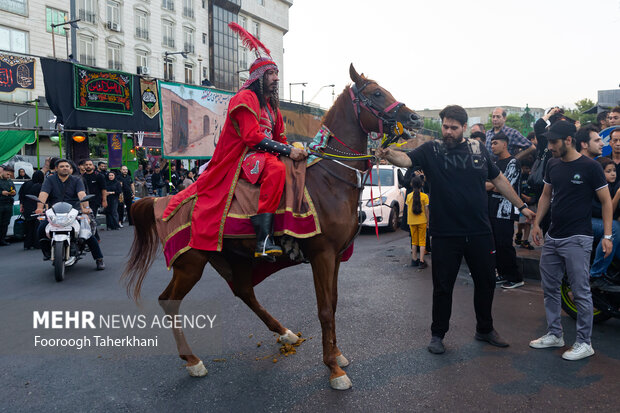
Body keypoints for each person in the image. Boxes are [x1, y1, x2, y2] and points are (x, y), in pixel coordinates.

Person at [376, 105, 534, 354]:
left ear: (463, 128)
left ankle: (485, 329)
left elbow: (499, 179)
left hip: (480, 231)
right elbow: (406, 159)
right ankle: (438, 334)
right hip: (445, 233)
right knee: (443, 286)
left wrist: (522, 206)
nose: (448, 131)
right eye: (445, 126)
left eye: (453, 128)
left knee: (486, 283)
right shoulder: (432, 149)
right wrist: (388, 153)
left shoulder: (478, 149)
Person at [162, 22, 307, 258]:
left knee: (297, 168)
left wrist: (294, 149)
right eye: (270, 73)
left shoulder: (273, 109)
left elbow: (280, 137)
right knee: (277, 169)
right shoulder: (244, 98)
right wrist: (286, 152)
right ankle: (264, 240)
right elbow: (251, 137)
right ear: (259, 77)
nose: (276, 78)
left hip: (265, 153)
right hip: (245, 157)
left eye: (277, 73)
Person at [530, 120, 612, 361]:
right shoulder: (552, 164)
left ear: (568, 140)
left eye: (554, 142)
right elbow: (546, 195)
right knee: (550, 287)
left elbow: (606, 201)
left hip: (578, 237)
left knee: (580, 291)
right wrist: (537, 223)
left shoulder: (590, 167)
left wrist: (607, 236)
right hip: (553, 235)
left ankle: (585, 343)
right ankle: (555, 334)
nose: (550, 146)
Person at [35, 159, 105, 270]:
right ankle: (47, 252)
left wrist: (86, 208)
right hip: (54, 212)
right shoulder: (50, 180)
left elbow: (82, 194)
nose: (65, 168)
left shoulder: (77, 180)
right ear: (57, 168)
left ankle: (99, 259)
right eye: (62, 166)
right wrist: (39, 208)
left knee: (87, 233)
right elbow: (43, 194)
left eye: (67, 166)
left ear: (70, 168)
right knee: (41, 229)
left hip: (74, 211)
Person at [486, 132, 524, 289]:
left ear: (505, 144)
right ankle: (502, 273)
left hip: (506, 210)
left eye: (495, 143)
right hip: (492, 209)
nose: (492, 146)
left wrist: (489, 185)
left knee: (505, 243)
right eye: (491, 143)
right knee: (496, 244)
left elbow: (500, 187)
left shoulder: (513, 163)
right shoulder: (494, 163)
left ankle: (515, 277)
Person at [405, 176, 429, 269]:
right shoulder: (425, 196)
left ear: (411, 184)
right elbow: (427, 210)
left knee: (414, 242)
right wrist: (428, 221)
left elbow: (407, 210)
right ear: (422, 184)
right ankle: (422, 261)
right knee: (422, 241)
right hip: (422, 221)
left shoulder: (408, 196)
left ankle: (414, 259)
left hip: (411, 221)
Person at [19, 170, 44, 250]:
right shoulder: (40, 186)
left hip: (27, 207)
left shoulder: (26, 184)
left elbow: (21, 196)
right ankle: (36, 244)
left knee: (28, 227)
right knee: (36, 226)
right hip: (36, 207)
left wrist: (21, 206)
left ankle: (27, 244)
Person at [515, 159, 536, 250]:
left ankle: (525, 240)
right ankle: (519, 233)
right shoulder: (520, 177)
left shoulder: (533, 178)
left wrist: (533, 198)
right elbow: (517, 189)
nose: (528, 171)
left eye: (529, 168)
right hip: (522, 204)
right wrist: (523, 197)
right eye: (526, 168)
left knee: (528, 222)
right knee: (522, 221)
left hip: (531, 203)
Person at [0, 165, 16, 246]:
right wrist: (1, 192)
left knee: (5, 223)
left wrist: (13, 192)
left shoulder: (9, 181)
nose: (8, 176)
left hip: (8, 204)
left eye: (10, 175)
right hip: (0, 204)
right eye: (7, 174)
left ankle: (2, 239)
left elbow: (14, 190)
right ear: (3, 171)